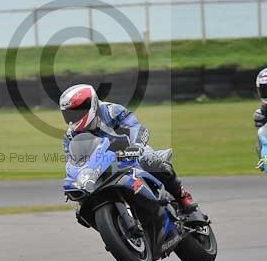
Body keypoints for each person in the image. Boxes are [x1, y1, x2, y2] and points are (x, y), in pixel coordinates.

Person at [59, 83, 197, 212]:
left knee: (153, 161)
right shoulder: (71, 136)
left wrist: (136, 146)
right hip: (102, 165)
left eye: (76, 112)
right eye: (69, 113)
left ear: (91, 105)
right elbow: (73, 162)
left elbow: (137, 127)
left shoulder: (111, 111)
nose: (73, 117)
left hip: (130, 154)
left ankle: (182, 196)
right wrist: (74, 180)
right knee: (82, 208)